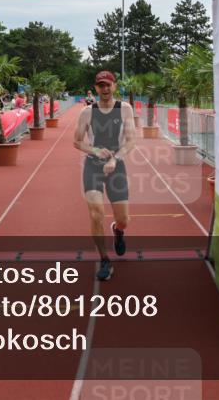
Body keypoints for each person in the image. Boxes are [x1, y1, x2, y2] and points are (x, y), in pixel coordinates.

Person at [72, 71, 136, 281]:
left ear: (114, 86)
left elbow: (130, 141)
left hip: (116, 167)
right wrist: (95, 151)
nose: (105, 89)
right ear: (96, 88)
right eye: (101, 86)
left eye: (108, 85)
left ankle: (118, 231)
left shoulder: (125, 109)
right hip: (93, 167)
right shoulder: (87, 112)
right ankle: (105, 260)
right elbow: (77, 141)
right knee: (96, 213)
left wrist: (114, 159)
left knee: (124, 219)